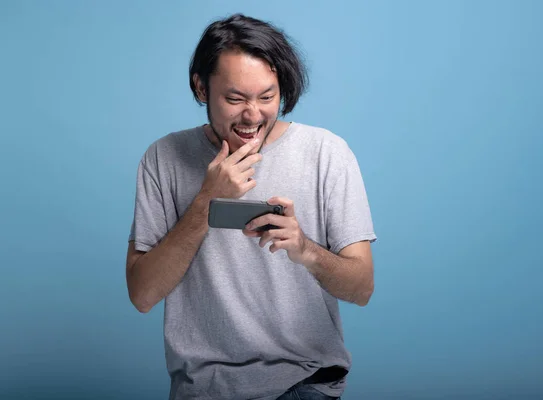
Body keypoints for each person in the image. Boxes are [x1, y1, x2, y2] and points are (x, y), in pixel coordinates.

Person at [126, 13, 377, 400]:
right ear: (200, 88)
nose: (253, 115)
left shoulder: (327, 154)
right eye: (235, 98)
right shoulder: (163, 158)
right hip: (202, 388)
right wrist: (208, 198)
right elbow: (142, 294)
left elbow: (361, 288)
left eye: (267, 97)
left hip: (304, 381)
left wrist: (305, 250)